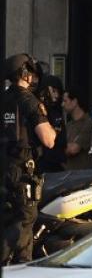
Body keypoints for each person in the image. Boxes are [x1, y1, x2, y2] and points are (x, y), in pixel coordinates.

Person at [1, 54, 56, 264]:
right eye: (31, 73)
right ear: (25, 74)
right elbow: (48, 140)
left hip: (4, 173)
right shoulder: (28, 101)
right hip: (21, 178)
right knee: (22, 232)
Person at [36, 73, 67, 173]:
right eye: (53, 91)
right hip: (42, 164)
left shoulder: (57, 112)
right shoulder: (37, 109)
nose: (56, 95)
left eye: (58, 92)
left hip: (56, 165)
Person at [63, 89, 92, 170]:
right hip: (69, 173)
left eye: (65, 101)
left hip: (85, 174)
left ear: (74, 102)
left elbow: (73, 149)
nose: (62, 104)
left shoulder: (89, 123)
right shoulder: (68, 125)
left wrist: (59, 149)